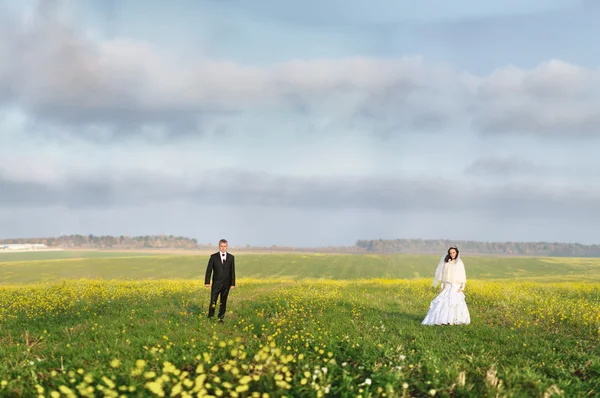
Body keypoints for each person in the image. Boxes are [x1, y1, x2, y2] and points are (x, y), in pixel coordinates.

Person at [421, 245, 470, 326]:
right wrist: (441, 286)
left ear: (457, 253)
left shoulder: (459, 262)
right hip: (447, 284)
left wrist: (462, 287)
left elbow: (462, 274)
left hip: (455, 285)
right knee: (444, 303)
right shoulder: (446, 262)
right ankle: (443, 320)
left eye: (453, 252)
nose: (452, 254)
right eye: (450, 253)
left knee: (455, 302)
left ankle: (455, 320)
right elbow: (443, 275)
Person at [205, 238, 236, 323]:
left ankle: (221, 318)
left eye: (225, 246)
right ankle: (210, 317)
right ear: (219, 246)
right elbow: (209, 270)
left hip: (226, 284)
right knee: (213, 301)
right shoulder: (213, 257)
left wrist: (232, 283)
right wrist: (207, 282)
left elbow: (232, 271)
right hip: (216, 284)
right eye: (221, 246)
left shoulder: (231, 257)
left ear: (227, 246)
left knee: (223, 301)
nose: (223, 248)